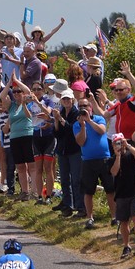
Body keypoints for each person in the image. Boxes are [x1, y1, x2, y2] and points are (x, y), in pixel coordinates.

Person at [73, 96, 114, 229]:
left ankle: (114, 216)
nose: (83, 109)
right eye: (80, 107)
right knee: (88, 191)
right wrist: (83, 126)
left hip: (104, 159)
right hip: (88, 161)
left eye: (85, 106)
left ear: (91, 107)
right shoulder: (76, 124)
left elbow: (101, 130)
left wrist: (89, 120)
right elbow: (80, 142)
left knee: (110, 189)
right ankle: (90, 217)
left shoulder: (98, 118)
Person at [110, 133, 135, 256]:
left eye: (120, 142)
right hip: (121, 193)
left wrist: (128, 146)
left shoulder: (131, 153)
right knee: (124, 221)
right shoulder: (112, 158)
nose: (119, 145)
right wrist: (118, 155)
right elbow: (114, 172)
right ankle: (126, 246)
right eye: (116, 143)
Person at [52, 88, 85, 217]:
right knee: (64, 179)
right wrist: (56, 120)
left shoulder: (76, 114)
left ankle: (79, 206)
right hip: (62, 150)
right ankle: (67, 204)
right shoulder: (61, 113)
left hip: (74, 150)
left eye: (68, 99)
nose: (66, 101)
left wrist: (60, 119)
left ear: (72, 100)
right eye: (64, 99)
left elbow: (72, 130)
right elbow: (57, 133)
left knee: (76, 179)